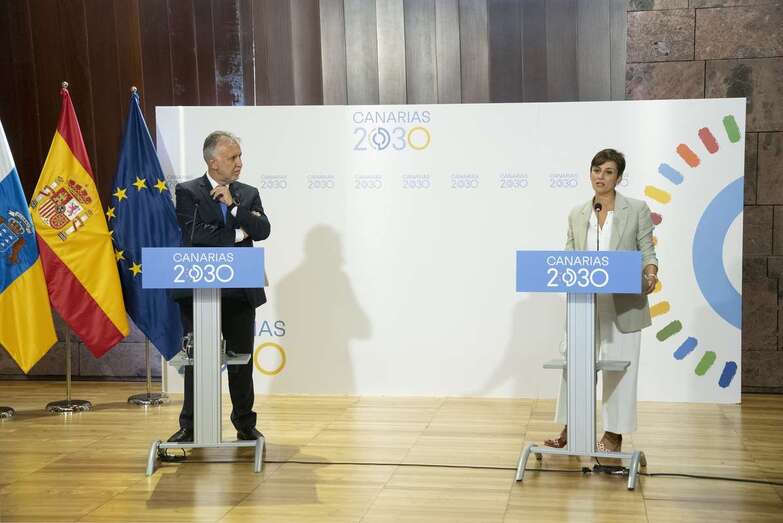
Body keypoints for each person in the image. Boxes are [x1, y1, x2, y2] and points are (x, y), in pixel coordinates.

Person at [545, 148, 658, 453]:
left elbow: (647, 250)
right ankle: (571, 426)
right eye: (597, 170)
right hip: (584, 303)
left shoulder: (636, 209)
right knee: (575, 365)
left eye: (608, 172)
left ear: (618, 178)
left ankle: (613, 434)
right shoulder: (578, 213)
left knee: (619, 370)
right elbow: (568, 255)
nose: (601, 177)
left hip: (624, 302)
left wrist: (650, 274)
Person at [167, 131, 271, 443]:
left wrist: (235, 208)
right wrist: (238, 234)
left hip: (239, 292)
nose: (239, 163)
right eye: (232, 157)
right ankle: (191, 425)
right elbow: (194, 233)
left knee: (241, 361)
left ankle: (244, 423)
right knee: (197, 360)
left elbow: (262, 229)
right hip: (198, 293)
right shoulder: (188, 191)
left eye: (240, 156)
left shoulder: (247, 194)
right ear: (213, 162)